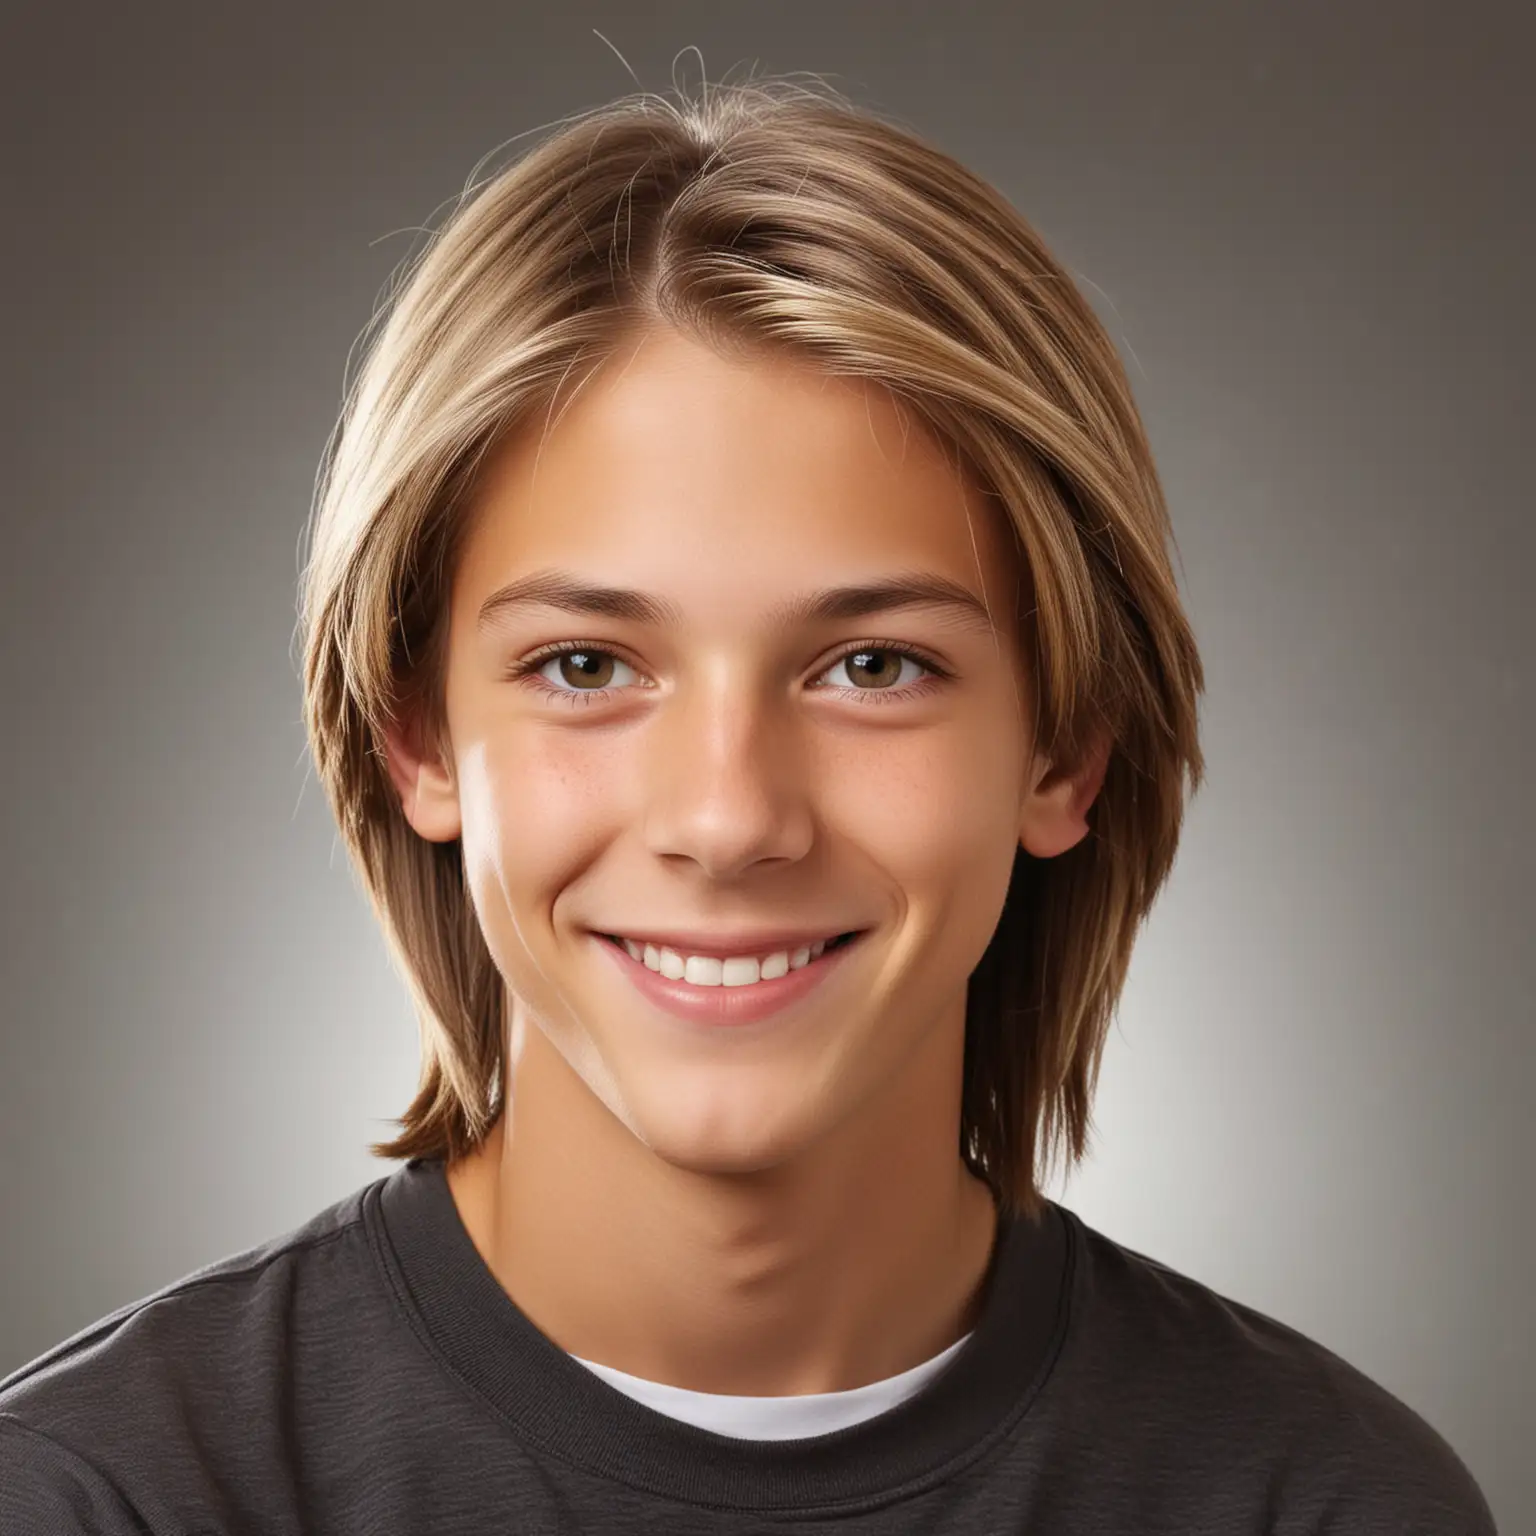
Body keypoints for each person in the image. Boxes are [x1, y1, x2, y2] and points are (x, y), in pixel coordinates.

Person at [0, 76, 1497, 1534]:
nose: (727, 821)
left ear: (1066, 755)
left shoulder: (1326, 1502)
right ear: (418, 742)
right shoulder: (101, 1498)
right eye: (586, 664)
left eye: (872, 665)